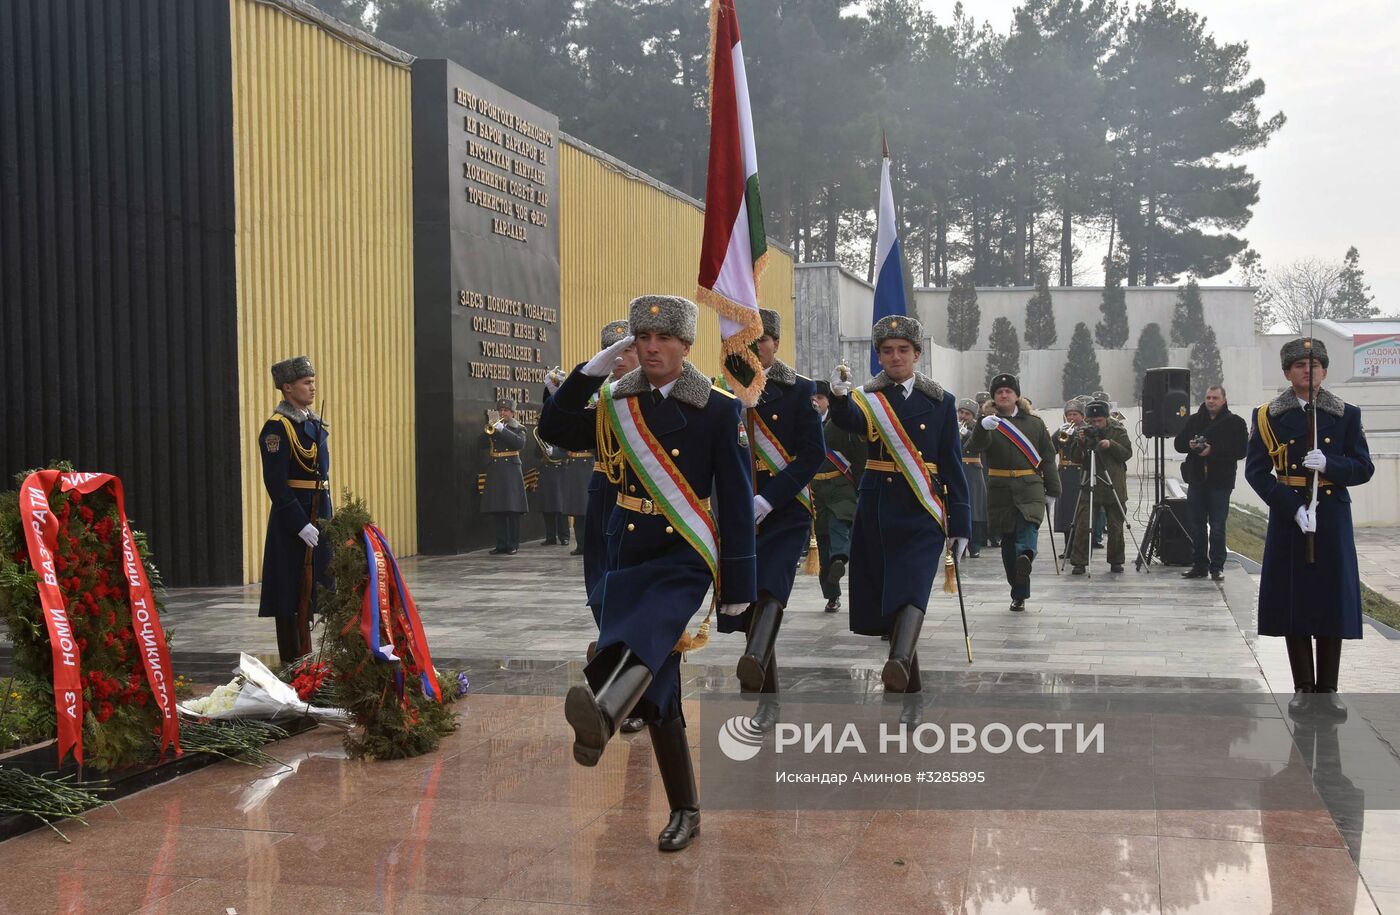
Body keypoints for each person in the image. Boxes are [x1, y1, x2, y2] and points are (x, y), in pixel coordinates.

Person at [539, 294, 755, 851]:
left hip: (682, 554)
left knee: (645, 636)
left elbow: (734, 499)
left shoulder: (718, 408)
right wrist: (589, 371)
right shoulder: (616, 401)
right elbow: (557, 429)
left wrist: (739, 588)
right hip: (626, 553)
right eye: (642, 340)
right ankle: (685, 807)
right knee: (660, 691)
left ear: (686, 346)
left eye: (663, 340)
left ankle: (605, 711)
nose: (652, 348)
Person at [827, 314, 970, 721]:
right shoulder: (868, 399)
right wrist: (838, 398)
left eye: (903, 350)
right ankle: (910, 691)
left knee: (911, 587)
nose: (895, 356)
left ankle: (900, 659)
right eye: (887, 351)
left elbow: (952, 462)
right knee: (889, 598)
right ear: (879, 357)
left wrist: (960, 521)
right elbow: (851, 423)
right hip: (878, 506)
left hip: (923, 508)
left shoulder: (942, 401)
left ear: (917, 354)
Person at [1246, 337, 1373, 719]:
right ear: (1287, 373)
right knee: (1294, 599)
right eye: (1300, 365)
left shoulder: (1346, 413)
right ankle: (1303, 686)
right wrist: (1291, 508)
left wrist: (1331, 464)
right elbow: (1255, 472)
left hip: (1331, 514)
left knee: (1331, 599)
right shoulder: (1267, 416)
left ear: (1325, 371)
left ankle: (1328, 688)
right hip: (1291, 517)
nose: (1309, 370)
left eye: (1315, 364)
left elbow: (1363, 467)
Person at [718, 308, 824, 732]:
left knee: (771, 585)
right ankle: (767, 691)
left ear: (774, 344)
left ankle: (758, 667)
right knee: (747, 597)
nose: (752, 347)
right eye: (744, 339)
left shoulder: (799, 390)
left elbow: (812, 454)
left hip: (785, 509)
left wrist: (769, 499)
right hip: (736, 512)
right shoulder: (723, 390)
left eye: (759, 339)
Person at [546, 323, 644, 734]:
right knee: (602, 594)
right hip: (606, 502)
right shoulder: (602, 404)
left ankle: (636, 695)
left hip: (654, 511)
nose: (620, 359)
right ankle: (613, 668)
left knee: (643, 604)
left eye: (628, 350)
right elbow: (555, 429)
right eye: (612, 352)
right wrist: (574, 384)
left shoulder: (662, 401)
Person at [258, 356, 333, 663]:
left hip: (319, 513)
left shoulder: (312, 424)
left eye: (313, 381)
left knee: (318, 589)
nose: (312, 387)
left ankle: (311, 660)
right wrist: (299, 523)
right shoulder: (278, 429)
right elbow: (276, 484)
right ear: (288, 388)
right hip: (294, 523)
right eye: (306, 382)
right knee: (291, 594)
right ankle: (293, 663)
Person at [967, 374, 1059, 612]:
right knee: (1008, 543)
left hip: (1030, 485)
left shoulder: (1034, 423)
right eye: (999, 392)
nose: (1004, 395)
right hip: (1000, 490)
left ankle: (1027, 555)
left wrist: (1053, 490)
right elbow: (974, 448)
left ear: (1017, 395)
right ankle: (1019, 592)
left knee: (1028, 527)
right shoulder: (989, 422)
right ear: (994, 398)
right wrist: (981, 427)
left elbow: (1048, 458)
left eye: (1008, 391)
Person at [1174, 384, 1249, 581]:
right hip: (1197, 480)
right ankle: (1199, 565)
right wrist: (1190, 445)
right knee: (1196, 525)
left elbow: (1241, 450)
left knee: (1217, 526)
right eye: (1208, 397)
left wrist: (1212, 451)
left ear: (1223, 400)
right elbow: (1178, 444)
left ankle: (1217, 567)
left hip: (1221, 482)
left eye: (1215, 398)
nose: (1211, 401)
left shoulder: (1235, 422)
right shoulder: (1194, 421)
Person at [811, 380, 867, 613]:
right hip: (815, 488)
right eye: (811, 399)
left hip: (840, 483)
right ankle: (831, 593)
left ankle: (840, 558)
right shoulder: (803, 422)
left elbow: (859, 454)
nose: (814, 402)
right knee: (822, 540)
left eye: (820, 398)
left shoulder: (841, 422)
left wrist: (862, 485)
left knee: (839, 523)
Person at [1068, 400, 1132, 574]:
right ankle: (1079, 562)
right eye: (1092, 421)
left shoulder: (1118, 431)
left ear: (1106, 418)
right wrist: (1081, 442)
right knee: (1083, 524)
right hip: (1090, 483)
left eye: (1099, 421)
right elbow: (1075, 458)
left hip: (1114, 484)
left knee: (1115, 526)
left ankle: (1116, 560)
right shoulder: (1083, 432)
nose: (1095, 425)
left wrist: (1111, 444)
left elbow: (1127, 454)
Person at [481, 399, 528, 554]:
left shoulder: (518, 428)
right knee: (498, 509)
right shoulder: (494, 428)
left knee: (512, 510)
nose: (503, 413)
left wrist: (503, 430)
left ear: (512, 413)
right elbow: (480, 444)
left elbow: (519, 444)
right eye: (500, 410)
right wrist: (489, 428)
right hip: (496, 470)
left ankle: (513, 544)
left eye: (506, 411)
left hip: (511, 471)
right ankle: (501, 544)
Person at [1053, 401, 1086, 553]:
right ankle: (1068, 547)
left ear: (1082, 416)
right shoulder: (1063, 430)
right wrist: (1057, 433)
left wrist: (1076, 436)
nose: (1072, 418)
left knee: (1079, 512)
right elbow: (1050, 448)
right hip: (1064, 474)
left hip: (1080, 474)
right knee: (1066, 512)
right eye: (1069, 415)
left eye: (1075, 414)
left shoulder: (1086, 429)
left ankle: (1078, 548)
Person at [956, 399, 986, 557]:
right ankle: (957, 546)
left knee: (975, 510)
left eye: (967, 414)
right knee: (958, 507)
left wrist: (967, 434)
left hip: (973, 471)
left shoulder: (977, 428)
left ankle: (974, 547)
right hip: (958, 469)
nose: (963, 416)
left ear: (973, 416)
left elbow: (982, 444)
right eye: (961, 412)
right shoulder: (953, 426)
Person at [533, 426, 571, 546]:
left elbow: (568, 451)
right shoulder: (543, 434)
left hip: (559, 470)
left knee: (560, 507)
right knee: (547, 506)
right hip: (546, 470)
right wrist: (541, 448)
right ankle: (550, 537)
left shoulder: (563, 432)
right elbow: (537, 454)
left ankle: (564, 536)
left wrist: (553, 452)